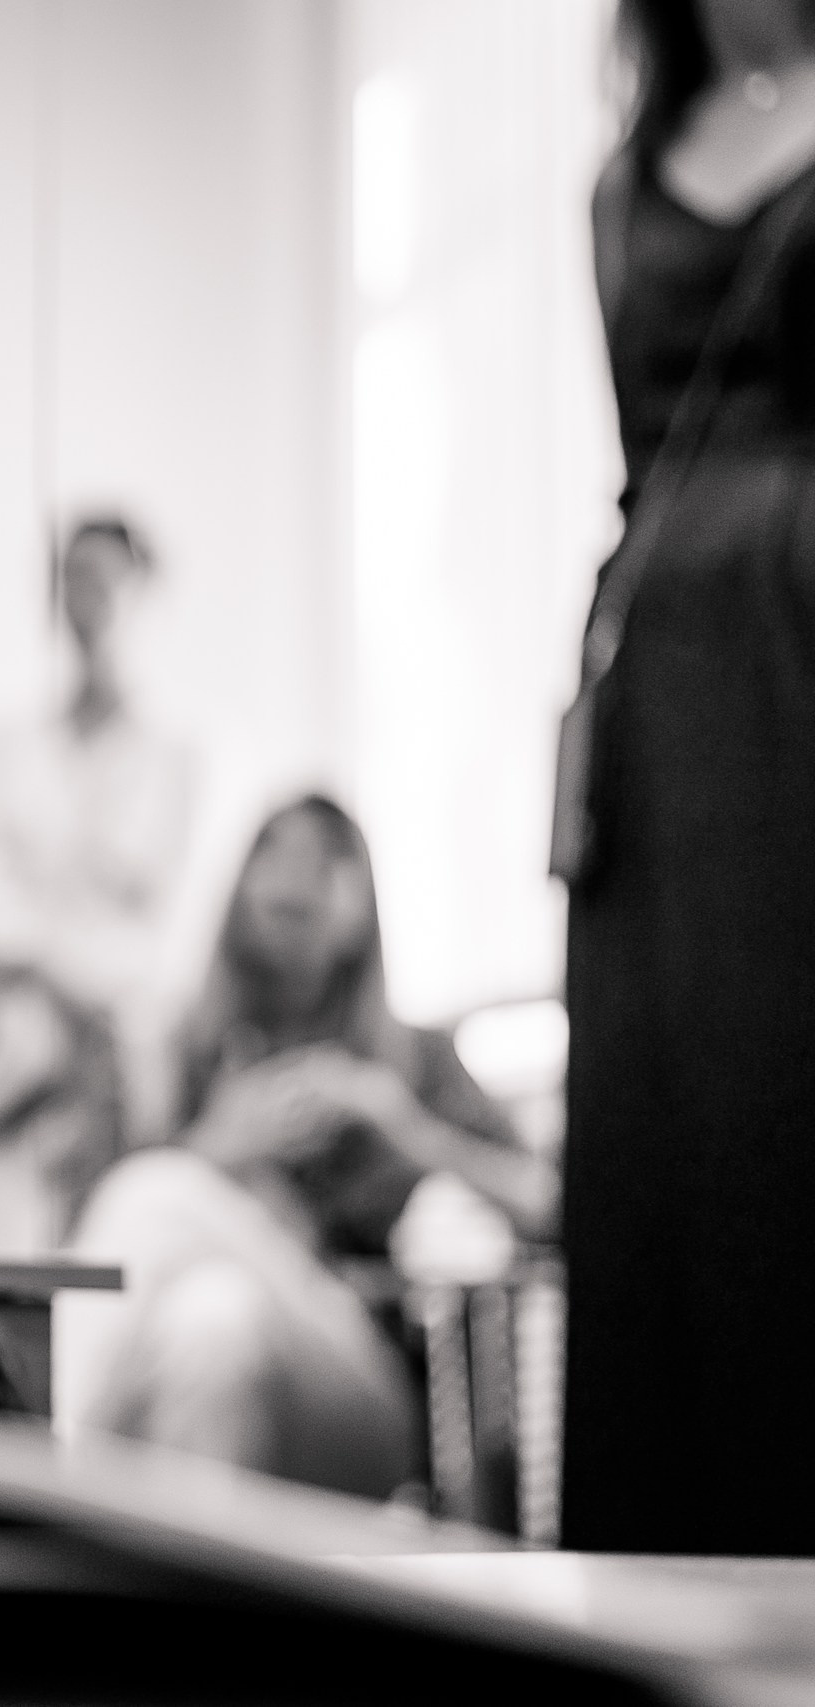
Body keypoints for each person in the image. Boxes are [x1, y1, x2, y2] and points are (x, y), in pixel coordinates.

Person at [562, 0, 815, 1554]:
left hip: (805, 650)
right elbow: (633, 458)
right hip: (654, 674)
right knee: (662, 1118)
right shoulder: (622, 172)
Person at [56, 796, 552, 1499]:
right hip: (200, 1369)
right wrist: (219, 1146)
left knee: (154, 1193)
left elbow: (551, 1202)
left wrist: (405, 1128)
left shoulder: (412, 1058)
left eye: (326, 856)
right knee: (213, 1321)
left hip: (369, 1392)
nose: (294, 876)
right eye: (273, 849)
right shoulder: (176, 1055)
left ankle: (52, 1496)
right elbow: (78, 1241)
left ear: (362, 906)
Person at [0, 514, 193, 1253]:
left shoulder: (181, 755)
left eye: (107, 578)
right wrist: (57, 962)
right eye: (73, 577)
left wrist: (68, 969)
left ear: (145, 592)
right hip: (11, 1048)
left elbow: (167, 931)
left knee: (110, 1257)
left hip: (121, 1055)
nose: (89, 598)